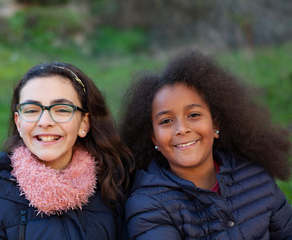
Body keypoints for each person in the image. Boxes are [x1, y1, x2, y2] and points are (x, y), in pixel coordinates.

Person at [119, 50, 292, 239]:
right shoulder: (147, 205)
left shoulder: (254, 173)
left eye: (193, 115)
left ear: (215, 123)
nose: (182, 129)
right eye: (166, 121)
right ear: (154, 138)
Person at [0, 62, 134, 239]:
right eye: (32, 110)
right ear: (19, 122)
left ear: (84, 123)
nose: (45, 121)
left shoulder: (114, 190)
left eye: (62, 110)